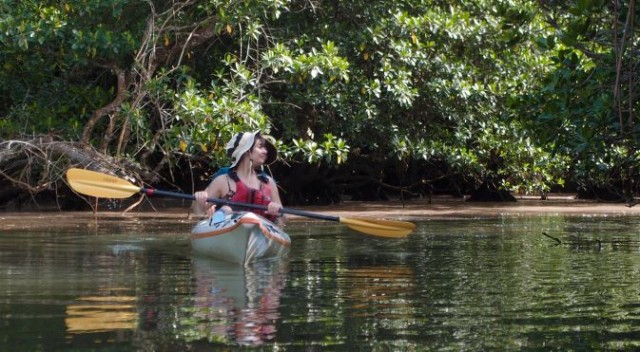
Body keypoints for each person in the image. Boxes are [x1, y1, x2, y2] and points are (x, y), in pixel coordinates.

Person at [194, 131, 285, 226]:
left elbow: (283, 220)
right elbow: (198, 212)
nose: (265, 151)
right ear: (246, 151)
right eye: (260, 147)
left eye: (265, 148)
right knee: (226, 209)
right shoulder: (222, 181)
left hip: (261, 231)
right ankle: (219, 217)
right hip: (229, 231)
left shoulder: (269, 182)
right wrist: (199, 200)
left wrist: (279, 213)